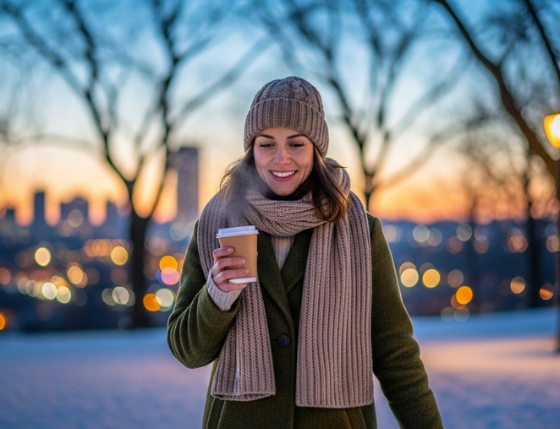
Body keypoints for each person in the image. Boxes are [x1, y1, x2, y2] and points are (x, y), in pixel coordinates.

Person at [167, 76, 443, 429]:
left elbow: (395, 352)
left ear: (316, 148)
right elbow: (187, 351)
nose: (281, 158)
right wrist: (217, 295)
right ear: (251, 149)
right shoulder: (216, 225)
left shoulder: (359, 230)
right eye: (267, 144)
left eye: (296, 144)